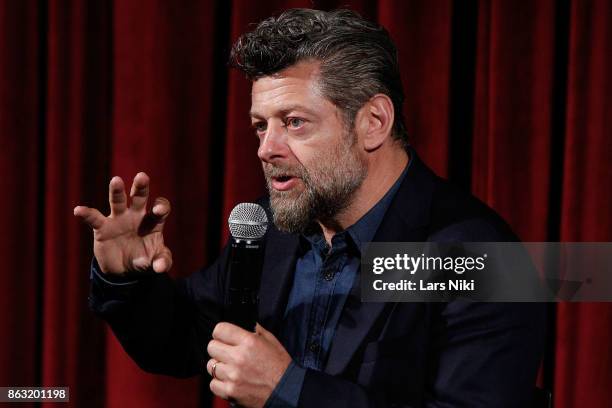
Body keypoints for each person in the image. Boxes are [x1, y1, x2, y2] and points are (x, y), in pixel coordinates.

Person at [74, 8, 546, 408]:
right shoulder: (272, 228)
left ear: (373, 122)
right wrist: (126, 279)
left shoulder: (478, 257)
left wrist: (289, 391)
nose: (266, 148)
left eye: (294, 122)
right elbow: (182, 341)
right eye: (261, 126)